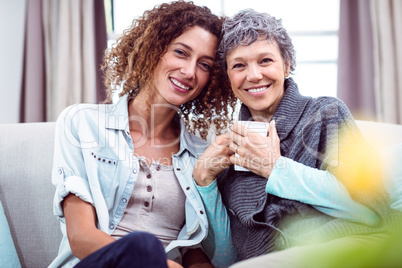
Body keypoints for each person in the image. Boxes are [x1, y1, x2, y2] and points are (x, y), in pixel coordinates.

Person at [193, 9, 397, 267]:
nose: (254, 75)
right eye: (239, 65)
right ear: (229, 78)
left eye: (265, 60)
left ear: (287, 64)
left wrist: (276, 168)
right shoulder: (229, 151)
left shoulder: (326, 113)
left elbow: (371, 210)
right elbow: (225, 258)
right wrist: (205, 185)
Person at [49, 1, 234, 267]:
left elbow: (194, 249)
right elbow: (81, 237)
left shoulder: (201, 154)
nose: (190, 71)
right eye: (181, 53)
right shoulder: (82, 123)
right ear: (154, 49)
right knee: (144, 245)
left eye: (204, 65)